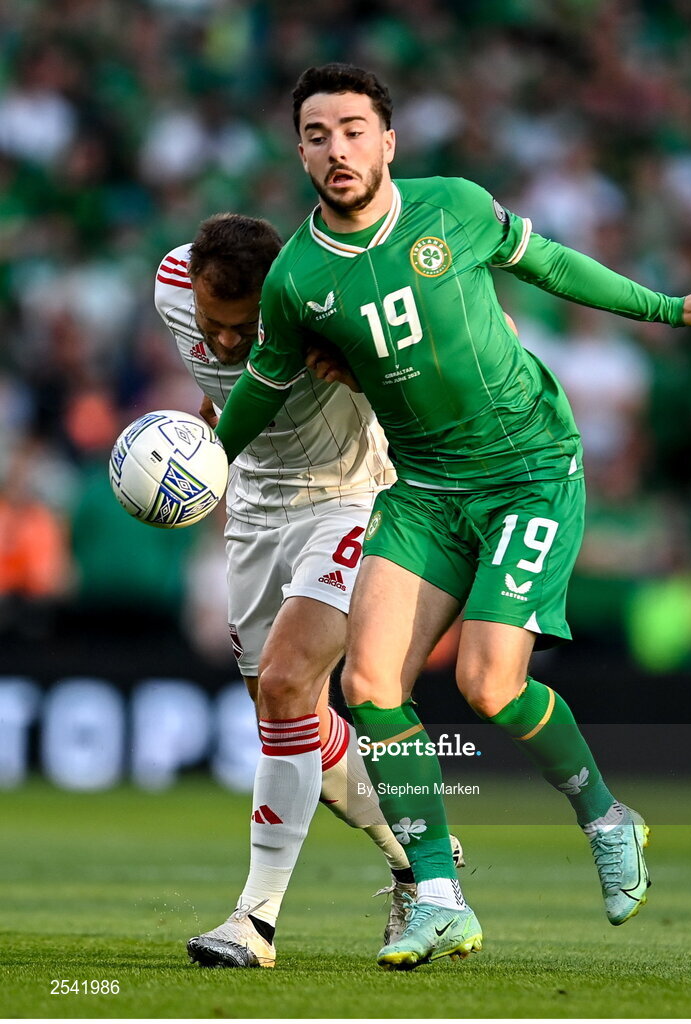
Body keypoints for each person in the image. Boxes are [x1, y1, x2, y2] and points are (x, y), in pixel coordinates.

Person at [213, 63, 691, 970]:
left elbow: (548, 263)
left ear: (386, 139)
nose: (335, 150)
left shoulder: (452, 206)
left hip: (529, 469)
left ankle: (607, 818)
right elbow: (264, 386)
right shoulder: (295, 279)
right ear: (298, 152)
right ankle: (439, 898)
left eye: (350, 130)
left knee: (490, 687)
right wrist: (206, 460)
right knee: (371, 688)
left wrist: (666, 308)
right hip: (422, 488)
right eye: (314, 135)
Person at [154, 213, 463, 969]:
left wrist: (366, 371)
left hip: (352, 499)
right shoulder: (169, 285)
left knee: (291, 683)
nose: (225, 340)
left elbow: (443, 383)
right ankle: (418, 854)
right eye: (212, 323)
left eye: (243, 327)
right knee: (286, 715)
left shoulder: (334, 308)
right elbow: (217, 388)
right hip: (252, 507)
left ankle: (253, 922)